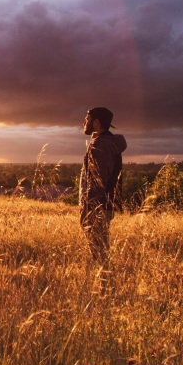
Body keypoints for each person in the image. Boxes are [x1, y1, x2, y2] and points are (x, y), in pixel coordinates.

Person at [80, 107, 127, 264]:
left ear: (96, 122)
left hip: (98, 206)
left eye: (87, 119)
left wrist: (92, 206)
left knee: (99, 251)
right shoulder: (100, 142)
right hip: (98, 205)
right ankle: (103, 279)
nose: (84, 122)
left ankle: (105, 282)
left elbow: (100, 180)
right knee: (98, 249)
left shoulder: (103, 145)